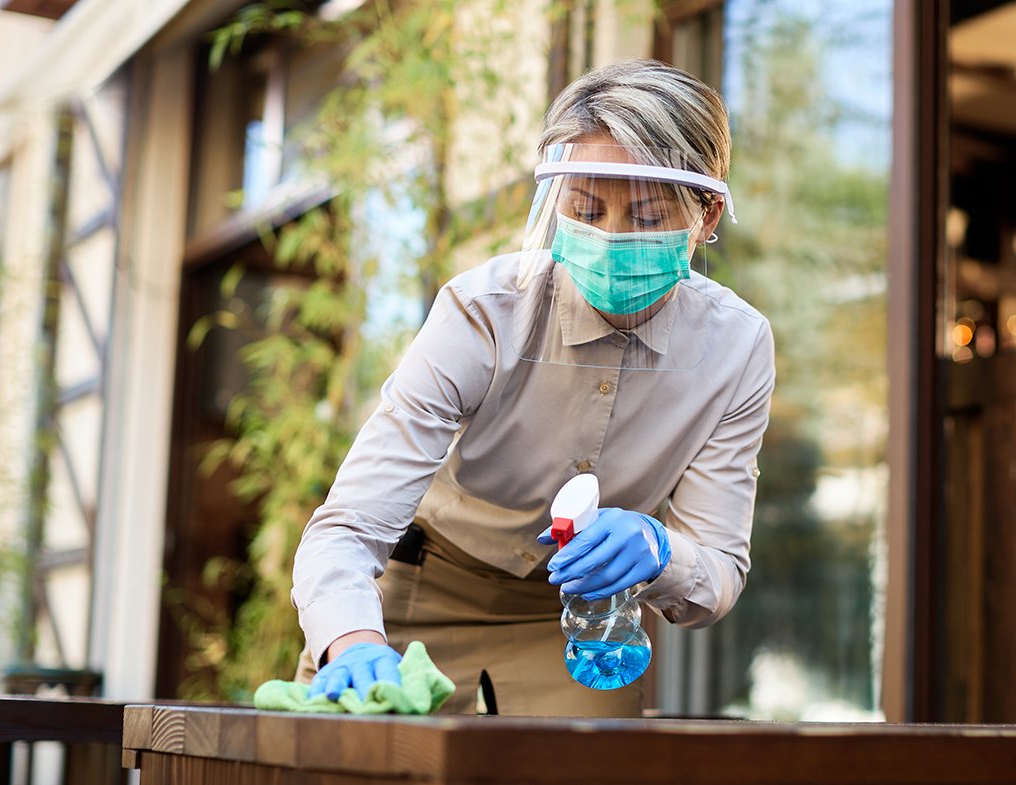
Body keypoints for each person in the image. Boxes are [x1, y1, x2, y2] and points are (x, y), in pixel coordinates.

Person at [290, 58, 775, 717]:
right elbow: (346, 525)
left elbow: (715, 574)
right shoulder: (483, 313)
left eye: (644, 215)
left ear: (707, 211)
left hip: (581, 626)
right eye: (584, 208)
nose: (609, 237)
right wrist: (349, 642)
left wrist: (662, 551)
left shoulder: (735, 349)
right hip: (419, 595)